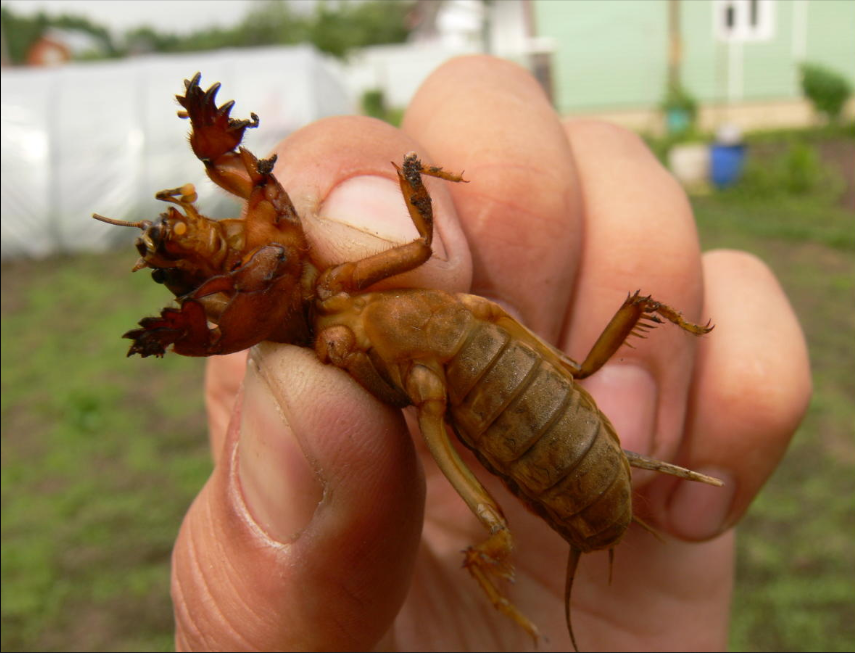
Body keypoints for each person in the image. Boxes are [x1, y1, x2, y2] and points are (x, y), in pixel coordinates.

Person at [169, 56, 811, 651]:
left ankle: (503, 575)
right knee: (512, 405)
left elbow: (419, 246)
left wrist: (411, 177)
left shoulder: (329, 291)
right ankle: (499, 583)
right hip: (466, 396)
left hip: (501, 390)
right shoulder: (317, 327)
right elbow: (404, 253)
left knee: (576, 365)